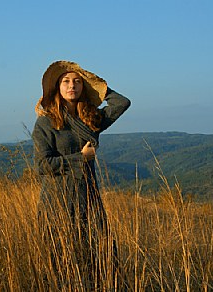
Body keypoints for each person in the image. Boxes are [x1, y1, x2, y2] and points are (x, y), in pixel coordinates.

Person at [32, 60, 131, 289]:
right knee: (60, 258)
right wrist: (80, 157)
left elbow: (122, 102)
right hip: (57, 200)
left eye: (77, 82)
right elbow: (42, 165)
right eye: (66, 81)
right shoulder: (46, 122)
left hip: (88, 197)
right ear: (57, 87)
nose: (72, 86)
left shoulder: (90, 119)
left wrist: (95, 83)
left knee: (100, 253)